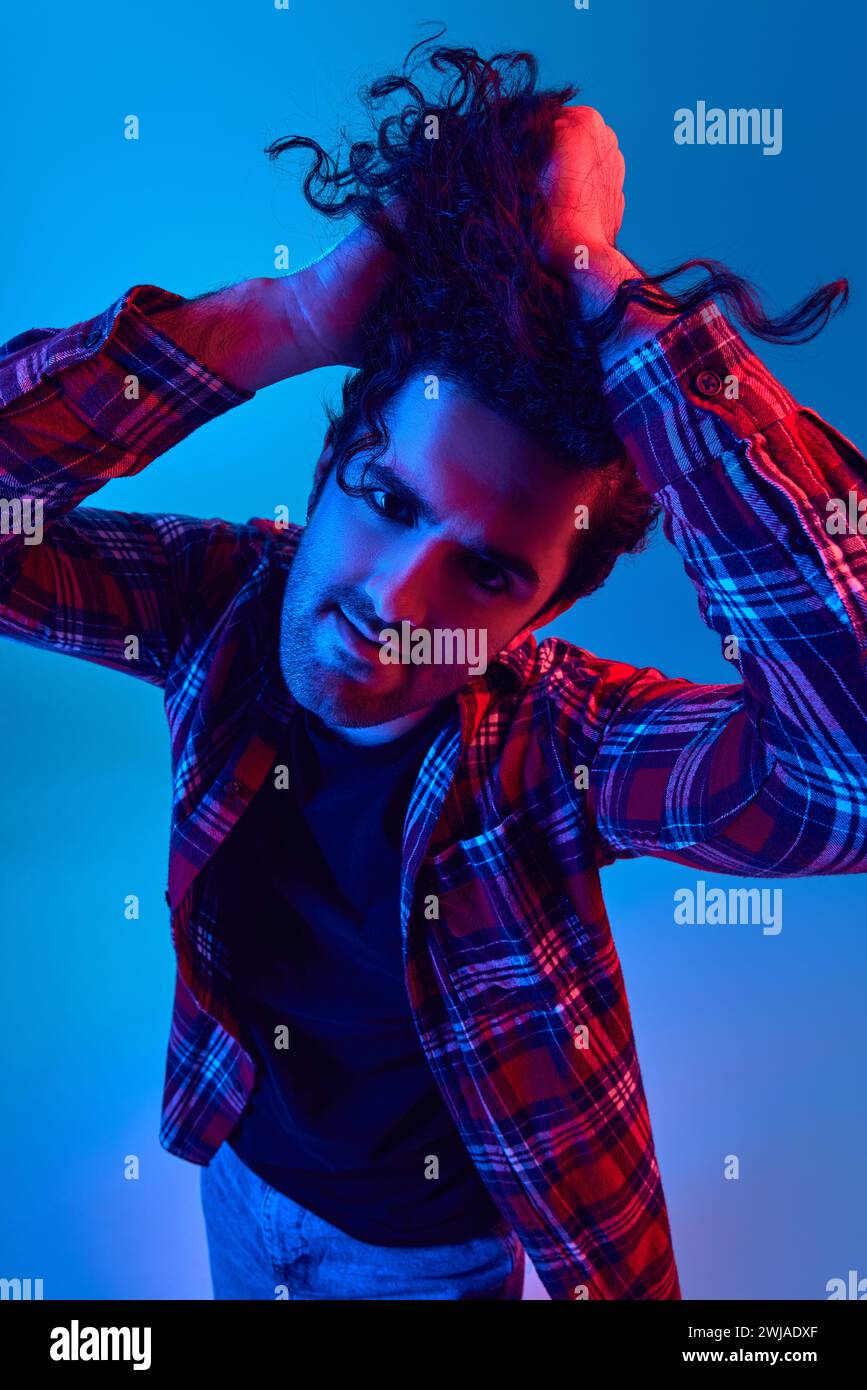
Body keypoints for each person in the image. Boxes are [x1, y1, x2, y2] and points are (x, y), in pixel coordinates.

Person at [1, 40, 865, 1302]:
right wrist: (290, 318)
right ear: (331, 462)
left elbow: (850, 773)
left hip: (431, 1258)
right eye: (388, 497)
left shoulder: (560, 748)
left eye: (490, 573)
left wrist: (601, 282)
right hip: (236, 1171)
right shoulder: (219, 609)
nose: (392, 605)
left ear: (543, 612)